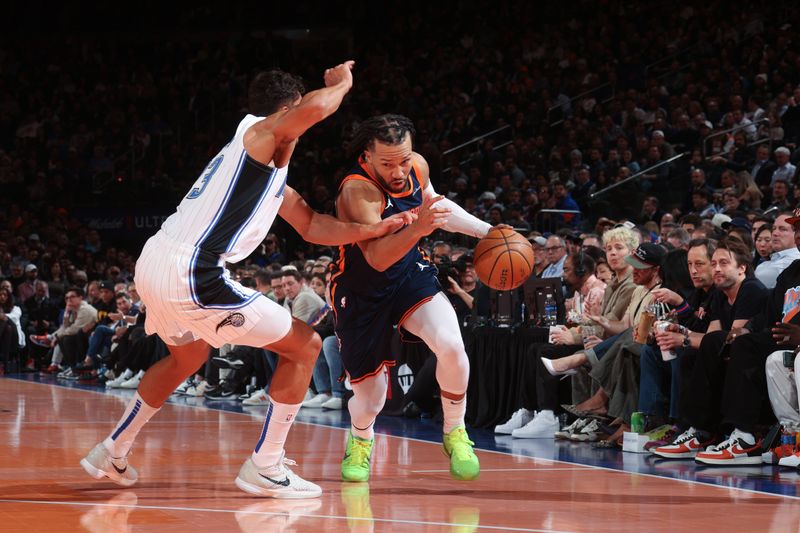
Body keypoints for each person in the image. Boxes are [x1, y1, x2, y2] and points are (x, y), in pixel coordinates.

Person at [80, 61, 411, 499]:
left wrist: (373, 229)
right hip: (193, 269)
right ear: (283, 111)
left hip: (157, 262)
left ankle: (112, 449)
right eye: (292, 116)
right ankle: (267, 465)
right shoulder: (258, 135)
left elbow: (313, 226)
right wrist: (343, 85)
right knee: (306, 346)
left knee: (186, 358)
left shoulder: (260, 171)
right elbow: (310, 112)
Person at [331, 114, 503, 482]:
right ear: (367, 157)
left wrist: (489, 233)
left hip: (409, 275)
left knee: (452, 344)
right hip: (362, 289)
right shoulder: (357, 191)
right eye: (387, 163)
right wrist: (421, 226)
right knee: (372, 396)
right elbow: (377, 258)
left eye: (404, 160)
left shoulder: (417, 166)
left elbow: (437, 208)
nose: (398, 171)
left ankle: (455, 431)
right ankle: (361, 439)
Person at [754, 212, 800, 289]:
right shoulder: (767, 262)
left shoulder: (792, 261)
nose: (775, 233)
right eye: (773, 229)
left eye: (783, 229)